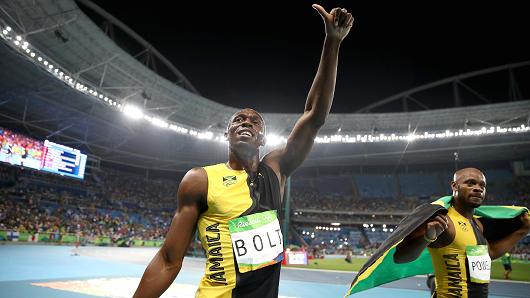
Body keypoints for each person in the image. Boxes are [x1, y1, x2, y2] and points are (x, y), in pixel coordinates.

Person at [132, 4, 353, 298]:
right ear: (227, 133)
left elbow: (315, 115)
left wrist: (332, 42)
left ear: (262, 137)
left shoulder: (276, 168)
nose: (246, 122)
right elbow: (169, 260)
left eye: (255, 121)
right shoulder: (200, 180)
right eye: (238, 119)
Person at [393, 168, 530, 298]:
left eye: (482, 185)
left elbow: (490, 253)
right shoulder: (443, 220)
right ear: (454, 186)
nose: (478, 188)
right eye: (470, 183)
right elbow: (400, 257)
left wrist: (523, 230)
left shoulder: (477, 223)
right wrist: (427, 238)